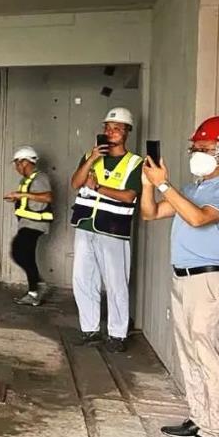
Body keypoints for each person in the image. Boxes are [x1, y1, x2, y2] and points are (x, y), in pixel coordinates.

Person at [142, 116, 219, 437]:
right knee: (190, 353)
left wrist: (165, 185)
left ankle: (216, 433)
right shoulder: (195, 188)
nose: (196, 153)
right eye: (194, 147)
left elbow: (198, 219)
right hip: (184, 278)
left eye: (204, 148)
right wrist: (149, 184)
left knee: (209, 354)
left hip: (210, 281)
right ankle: (200, 418)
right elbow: (150, 213)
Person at [69, 107, 143, 352]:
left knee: (116, 282)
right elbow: (75, 183)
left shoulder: (135, 163)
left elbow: (129, 195)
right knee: (83, 279)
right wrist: (91, 159)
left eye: (117, 129)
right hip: (85, 224)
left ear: (127, 132)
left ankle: (117, 335)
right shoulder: (90, 156)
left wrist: (99, 188)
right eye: (108, 128)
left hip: (113, 228)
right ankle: (89, 330)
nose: (111, 133)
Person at [4, 145, 54, 306]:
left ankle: (36, 288)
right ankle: (36, 289)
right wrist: (17, 198)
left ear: (25, 162)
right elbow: (30, 198)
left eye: (17, 163)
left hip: (35, 223)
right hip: (27, 223)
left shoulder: (40, 178)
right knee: (23, 254)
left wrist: (21, 194)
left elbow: (47, 197)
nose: (16, 167)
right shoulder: (26, 180)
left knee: (20, 252)